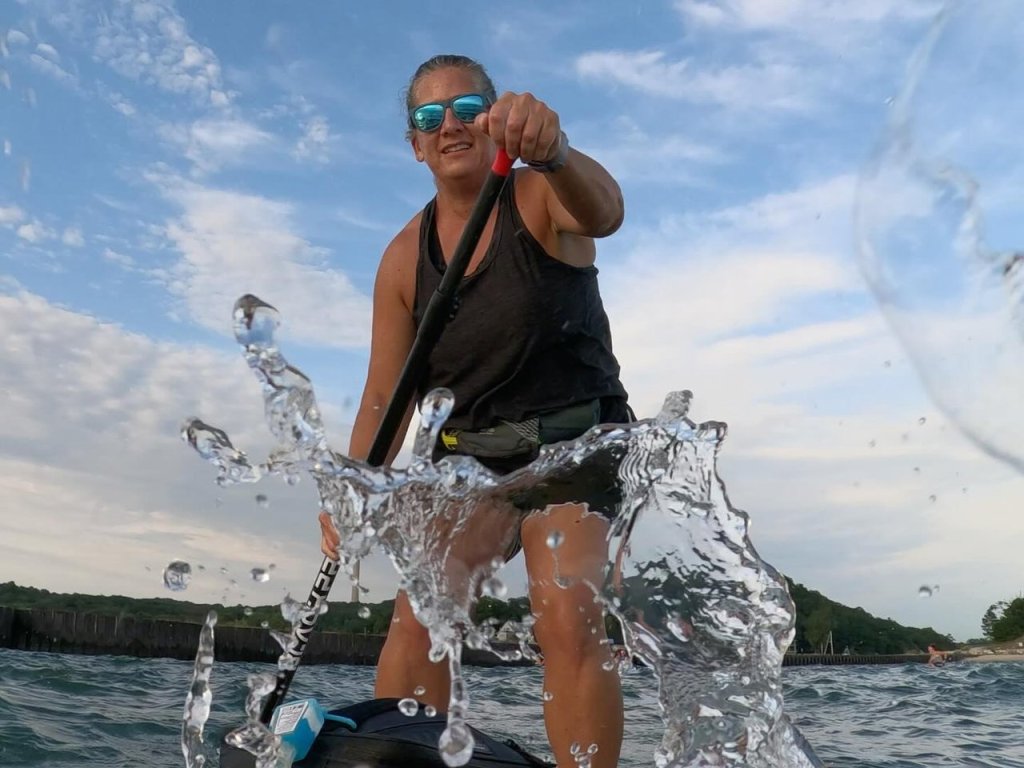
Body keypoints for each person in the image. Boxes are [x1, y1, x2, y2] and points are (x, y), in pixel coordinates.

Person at [320, 54, 629, 768]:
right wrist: (351, 484)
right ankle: (401, 757)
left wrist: (555, 152)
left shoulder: (543, 194)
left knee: (564, 613)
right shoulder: (403, 258)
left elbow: (606, 213)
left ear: (494, 120)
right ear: (415, 145)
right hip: (471, 459)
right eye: (429, 118)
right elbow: (385, 394)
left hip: (575, 442)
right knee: (419, 615)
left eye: (467, 109)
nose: (449, 126)